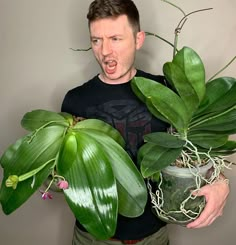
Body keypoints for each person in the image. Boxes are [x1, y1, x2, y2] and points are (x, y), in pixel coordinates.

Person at [61, 0, 230, 244]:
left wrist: (221, 184)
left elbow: (199, 151)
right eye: (96, 40)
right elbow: (61, 169)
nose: (105, 50)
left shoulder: (166, 91)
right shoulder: (75, 100)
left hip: (153, 236)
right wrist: (57, 179)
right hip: (92, 236)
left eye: (115, 38)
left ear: (138, 39)